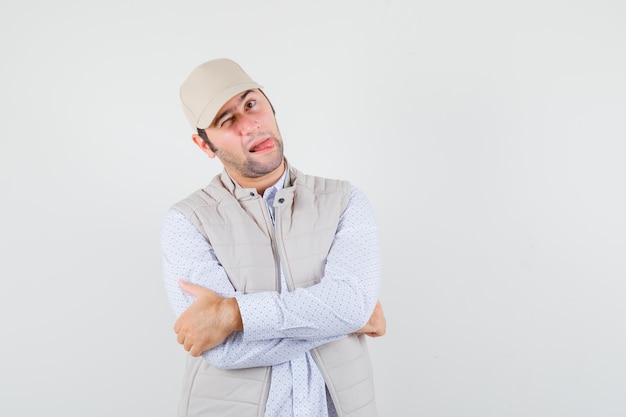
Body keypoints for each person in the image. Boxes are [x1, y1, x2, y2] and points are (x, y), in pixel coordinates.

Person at [161, 58, 386, 417]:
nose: (250, 125)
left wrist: (233, 314)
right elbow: (224, 350)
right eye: (226, 119)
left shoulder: (344, 201)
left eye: (251, 104)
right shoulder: (188, 221)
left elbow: (351, 303)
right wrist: (347, 318)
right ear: (204, 145)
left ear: (270, 104)